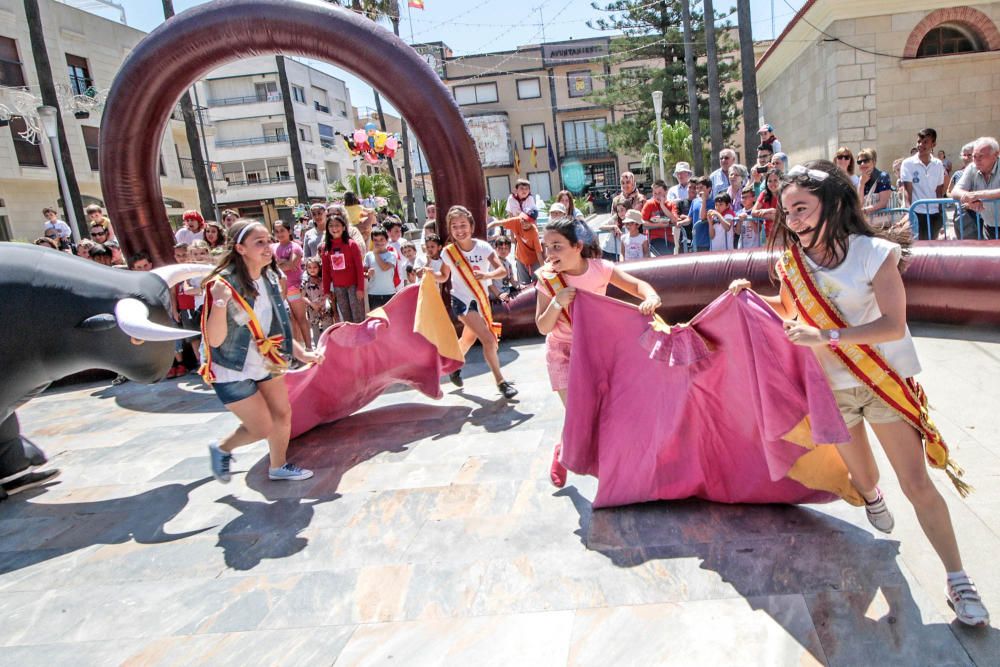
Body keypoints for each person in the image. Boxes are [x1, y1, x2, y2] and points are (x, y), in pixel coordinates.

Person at [729, 160, 989, 628]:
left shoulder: (875, 253)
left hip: (881, 382)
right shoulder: (791, 265)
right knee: (865, 478)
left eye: (802, 209)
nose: (794, 221)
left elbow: (891, 325)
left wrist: (825, 336)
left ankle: (959, 579)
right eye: (787, 213)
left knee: (916, 484)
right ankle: (871, 497)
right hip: (832, 391)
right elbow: (793, 313)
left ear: (832, 204)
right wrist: (749, 297)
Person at [535, 216, 661, 488]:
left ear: (577, 246)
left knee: (604, 412)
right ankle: (564, 451)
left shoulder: (601, 269)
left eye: (557, 246)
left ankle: (598, 461)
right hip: (563, 352)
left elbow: (638, 286)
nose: (550, 253)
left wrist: (650, 297)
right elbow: (542, 326)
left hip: (596, 349)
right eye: (547, 247)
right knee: (576, 413)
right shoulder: (547, 279)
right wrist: (557, 302)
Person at [201, 219, 321, 483]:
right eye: (260, 242)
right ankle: (222, 448)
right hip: (231, 366)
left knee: (283, 413)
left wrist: (301, 353)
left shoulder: (270, 277)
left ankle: (278, 466)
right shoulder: (223, 285)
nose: (269, 247)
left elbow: (276, 326)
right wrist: (220, 302)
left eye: (269, 241)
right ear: (240, 249)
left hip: (268, 358)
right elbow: (216, 340)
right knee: (261, 426)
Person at [436, 205, 518, 399]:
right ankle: (501, 382)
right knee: (488, 339)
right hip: (462, 302)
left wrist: (487, 274)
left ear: (471, 226)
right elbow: (443, 276)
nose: (459, 229)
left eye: (463, 224)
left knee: (467, 339)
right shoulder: (448, 252)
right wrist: (430, 274)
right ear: (450, 229)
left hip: (481, 301)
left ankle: (454, 367)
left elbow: (502, 270)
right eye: (454, 226)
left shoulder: (483, 247)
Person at [900, 128, 947, 240]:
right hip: (917, 212)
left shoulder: (938, 164)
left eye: (925, 142)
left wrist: (941, 213)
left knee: (932, 246)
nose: (920, 145)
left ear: (933, 144)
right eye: (919, 142)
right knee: (918, 247)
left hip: (934, 213)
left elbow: (939, 190)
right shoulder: (908, 163)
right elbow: (907, 191)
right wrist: (909, 212)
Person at [320, 212, 366, 323]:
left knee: (358, 316)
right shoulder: (325, 247)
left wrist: (360, 288)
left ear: (344, 227)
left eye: (337, 225)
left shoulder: (352, 244)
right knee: (346, 318)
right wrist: (326, 291)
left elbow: (359, 268)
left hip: (353, 286)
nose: (334, 228)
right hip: (338, 287)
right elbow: (325, 271)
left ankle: (361, 339)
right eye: (331, 225)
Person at [951, 136, 1000, 240]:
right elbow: (955, 191)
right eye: (974, 156)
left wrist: (978, 195)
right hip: (989, 227)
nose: (977, 160)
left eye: (981, 156)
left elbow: (977, 195)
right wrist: (969, 197)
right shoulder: (972, 168)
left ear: (996, 155)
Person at [272, 220, 310, 349]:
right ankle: (299, 350)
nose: (279, 233)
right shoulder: (272, 247)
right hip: (280, 289)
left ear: (289, 231)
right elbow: (269, 266)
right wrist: (283, 263)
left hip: (295, 287)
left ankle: (309, 347)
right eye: (276, 231)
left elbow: (291, 265)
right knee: (291, 321)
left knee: (300, 318)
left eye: (282, 230)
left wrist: (281, 263)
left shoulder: (295, 247)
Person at [487, 209, 543, 284]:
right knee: (523, 284)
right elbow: (496, 223)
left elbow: (539, 253)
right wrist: (486, 228)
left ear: (533, 222)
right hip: (520, 259)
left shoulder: (534, 232)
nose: (523, 222)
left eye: (527, 221)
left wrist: (543, 269)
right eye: (523, 219)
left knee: (538, 283)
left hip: (534, 261)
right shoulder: (516, 221)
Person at [363, 226, 401, 309]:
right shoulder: (368, 255)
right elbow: (363, 272)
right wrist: (367, 274)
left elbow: (384, 267)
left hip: (389, 293)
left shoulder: (391, 255)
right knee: (377, 320)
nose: (379, 242)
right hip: (373, 294)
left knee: (390, 320)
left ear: (387, 240)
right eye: (375, 240)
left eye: (381, 239)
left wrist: (376, 254)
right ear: (372, 241)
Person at [640, 179, 681, 256]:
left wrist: (662, 206)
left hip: (669, 239)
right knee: (666, 258)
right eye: (655, 193)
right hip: (654, 239)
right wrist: (658, 225)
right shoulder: (649, 204)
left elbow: (674, 220)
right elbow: (642, 222)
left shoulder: (671, 204)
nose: (657, 196)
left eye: (659, 193)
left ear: (665, 192)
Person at [856, 148, 894, 222]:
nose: (862, 164)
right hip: (868, 222)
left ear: (874, 162)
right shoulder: (861, 179)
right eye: (859, 162)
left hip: (882, 221)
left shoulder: (883, 176)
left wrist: (864, 210)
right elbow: (859, 203)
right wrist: (861, 184)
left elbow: (883, 203)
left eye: (866, 161)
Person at [302, 256, 334, 339]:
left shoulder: (324, 280)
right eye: (309, 267)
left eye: (315, 267)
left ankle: (327, 348)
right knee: (315, 330)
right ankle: (317, 348)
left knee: (327, 330)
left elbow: (329, 293)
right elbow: (302, 296)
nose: (312, 269)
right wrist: (312, 304)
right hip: (312, 308)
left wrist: (322, 303)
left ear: (319, 268)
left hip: (325, 308)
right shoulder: (305, 282)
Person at [488, 234, 521, 306]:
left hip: (506, 294)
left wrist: (518, 286)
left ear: (509, 250)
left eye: (506, 248)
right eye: (500, 248)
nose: (503, 250)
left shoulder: (508, 264)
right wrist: (499, 294)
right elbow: (489, 282)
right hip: (496, 296)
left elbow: (511, 279)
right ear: (495, 249)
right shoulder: (492, 263)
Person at [751, 168, 782, 242]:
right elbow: (753, 212)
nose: (772, 184)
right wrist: (769, 211)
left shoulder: (785, 193)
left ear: (781, 181)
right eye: (769, 181)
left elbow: (784, 214)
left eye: (775, 180)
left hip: (784, 234)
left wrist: (773, 215)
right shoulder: (764, 194)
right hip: (769, 236)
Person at [689, 176, 714, 252]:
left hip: (707, 243)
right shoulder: (694, 201)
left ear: (709, 188)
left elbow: (702, 217)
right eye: (697, 188)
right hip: (695, 242)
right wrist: (678, 222)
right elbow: (689, 218)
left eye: (701, 188)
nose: (698, 190)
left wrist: (703, 200)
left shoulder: (713, 203)